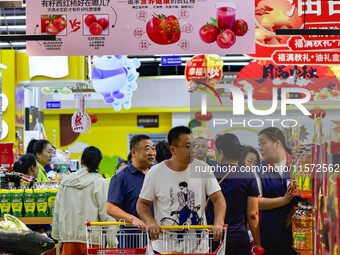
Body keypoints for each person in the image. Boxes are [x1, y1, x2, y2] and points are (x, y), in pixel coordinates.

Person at [137, 126, 226, 253]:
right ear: (173, 149)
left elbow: (219, 200)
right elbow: (142, 204)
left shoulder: (202, 168)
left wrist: (218, 222)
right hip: (165, 248)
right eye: (188, 146)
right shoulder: (155, 173)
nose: (193, 150)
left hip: (198, 249)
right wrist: (150, 222)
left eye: (193, 146)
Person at [52, 146, 115, 255]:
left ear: (81, 160)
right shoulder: (100, 182)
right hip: (93, 240)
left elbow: (57, 210)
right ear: (99, 163)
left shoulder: (66, 181)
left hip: (68, 239)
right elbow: (106, 214)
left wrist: (58, 237)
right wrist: (112, 241)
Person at [206, 133, 261, 255]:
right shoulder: (248, 176)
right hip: (238, 238)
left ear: (221, 152)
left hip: (212, 236)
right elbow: (252, 214)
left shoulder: (209, 174)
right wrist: (257, 242)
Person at [256, 127, 301, 255]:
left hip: (299, 233)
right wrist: (283, 200)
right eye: (259, 144)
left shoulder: (299, 164)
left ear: (277, 143)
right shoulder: (259, 170)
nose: (260, 148)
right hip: (270, 236)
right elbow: (256, 201)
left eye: (263, 143)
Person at [107, 135, 156, 228]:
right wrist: (132, 219)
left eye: (153, 149)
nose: (152, 153)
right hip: (132, 237)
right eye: (147, 149)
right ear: (133, 152)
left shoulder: (157, 174)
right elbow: (110, 208)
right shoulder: (121, 177)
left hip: (157, 237)